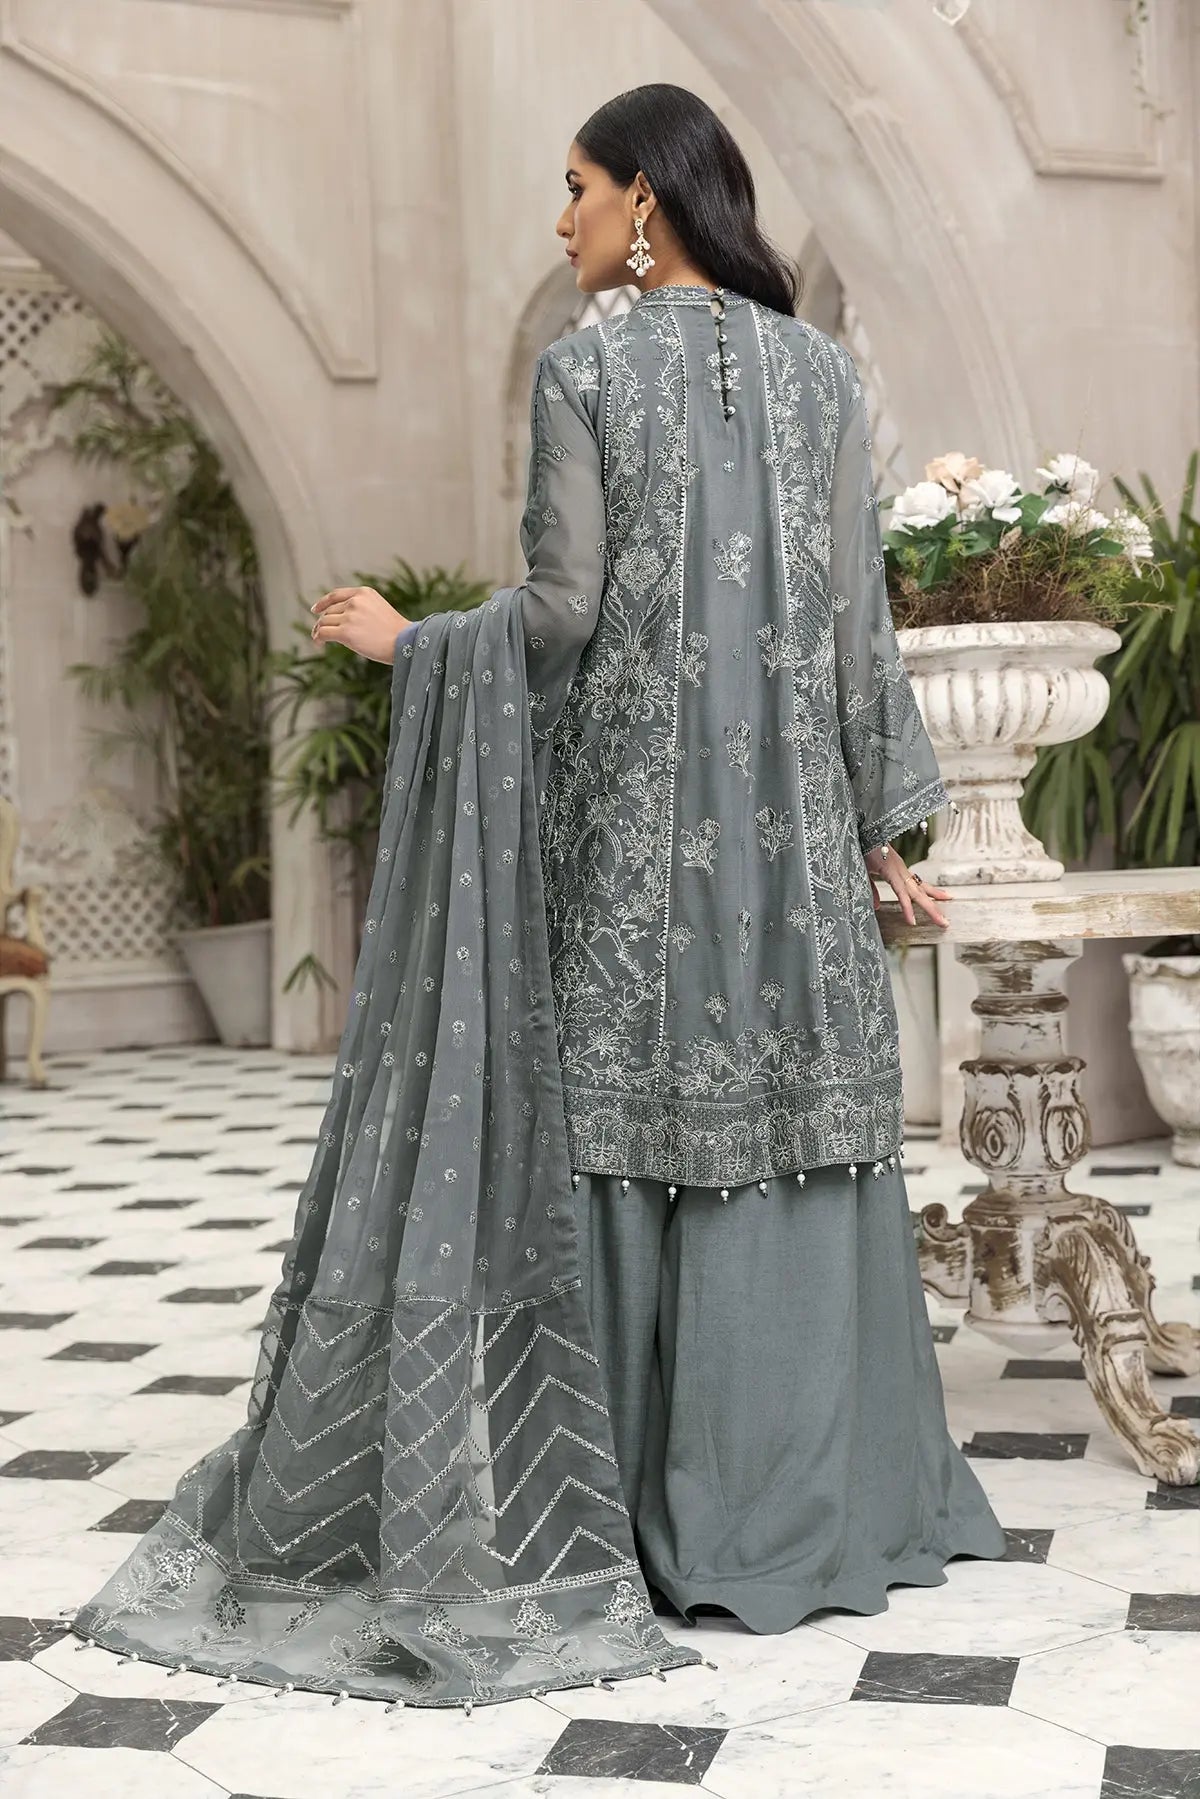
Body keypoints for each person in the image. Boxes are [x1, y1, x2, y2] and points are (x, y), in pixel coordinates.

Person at [69, 83, 1003, 1712]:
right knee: (791, 1125)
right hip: (789, 860)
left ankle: (622, 1520)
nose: (560, 218)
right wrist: (880, 828)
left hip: (636, 852)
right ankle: (822, 1509)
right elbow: (859, 626)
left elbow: (562, 617)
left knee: (632, 1134)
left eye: (575, 187)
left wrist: (413, 645)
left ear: (646, 199)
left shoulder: (587, 371)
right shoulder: (823, 375)